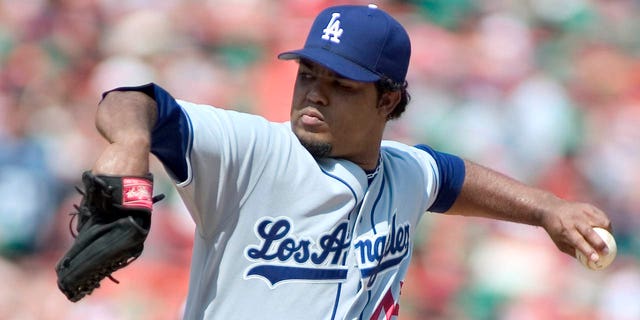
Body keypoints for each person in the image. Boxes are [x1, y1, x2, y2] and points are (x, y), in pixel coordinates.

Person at [89, 4, 611, 320]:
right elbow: (133, 100)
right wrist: (133, 149)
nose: (315, 94)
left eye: (340, 84)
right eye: (308, 75)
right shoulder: (252, 151)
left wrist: (546, 208)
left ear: (388, 100)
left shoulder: (404, 172)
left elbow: (450, 177)